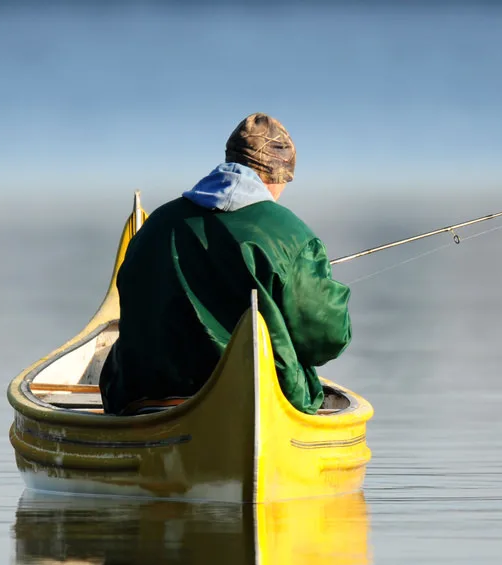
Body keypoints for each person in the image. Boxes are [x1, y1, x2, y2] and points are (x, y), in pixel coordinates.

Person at [98, 112, 351, 415]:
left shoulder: (155, 226)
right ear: (278, 175)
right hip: (258, 400)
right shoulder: (292, 236)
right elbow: (326, 339)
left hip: (143, 397)